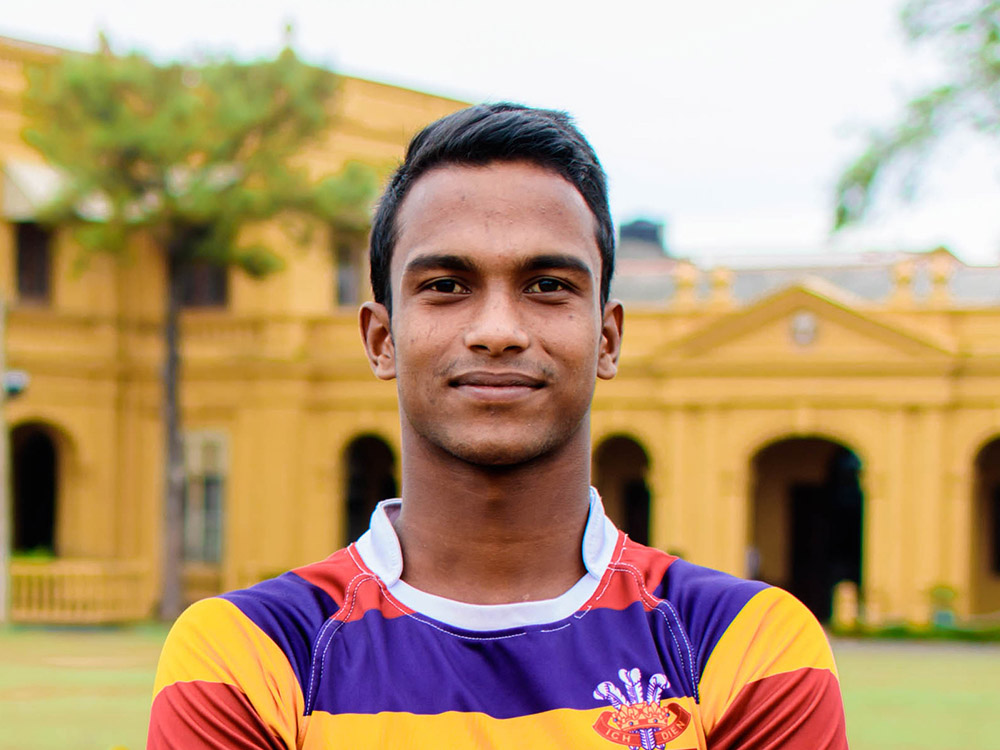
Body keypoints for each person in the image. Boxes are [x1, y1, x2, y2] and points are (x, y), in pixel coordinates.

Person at [148, 103, 848, 749]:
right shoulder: (249, 655)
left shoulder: (743, 646)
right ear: (381, 340)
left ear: (607, 339)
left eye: (547, 286)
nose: (497, 330)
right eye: (446, 286)